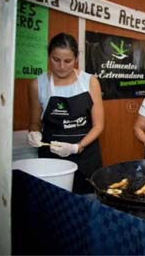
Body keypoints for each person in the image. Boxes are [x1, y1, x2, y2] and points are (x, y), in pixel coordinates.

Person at [28, 33, 104, 194]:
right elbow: (35, 122)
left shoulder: (90, 82)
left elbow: (98, 125)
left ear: (76, 58)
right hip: (51, 157)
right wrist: (33, 132)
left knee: (87, 203)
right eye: (56, 60)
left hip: (86, 157)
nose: (61, 66)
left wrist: (78, 147)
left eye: (68, 61)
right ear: (48, 56)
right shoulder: (38, 84)